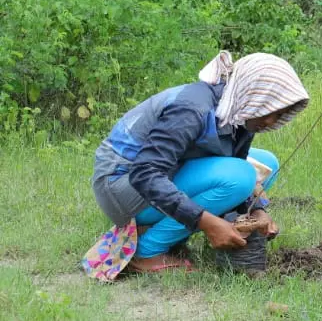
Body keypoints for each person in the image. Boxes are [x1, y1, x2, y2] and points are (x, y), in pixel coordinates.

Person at [87, 52, 309, 276]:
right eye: (270, 109)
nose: (272, 121)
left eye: (279, 113)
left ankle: (158, 227)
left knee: (266, 164)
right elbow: (144, 173)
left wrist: (257, 209)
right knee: (240, 176)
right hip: (120, 185)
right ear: (252, 94)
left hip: (161, 173)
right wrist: (207, 223)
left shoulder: (237, 111)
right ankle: (147, 250)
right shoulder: (192, 109)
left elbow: (235, 159)